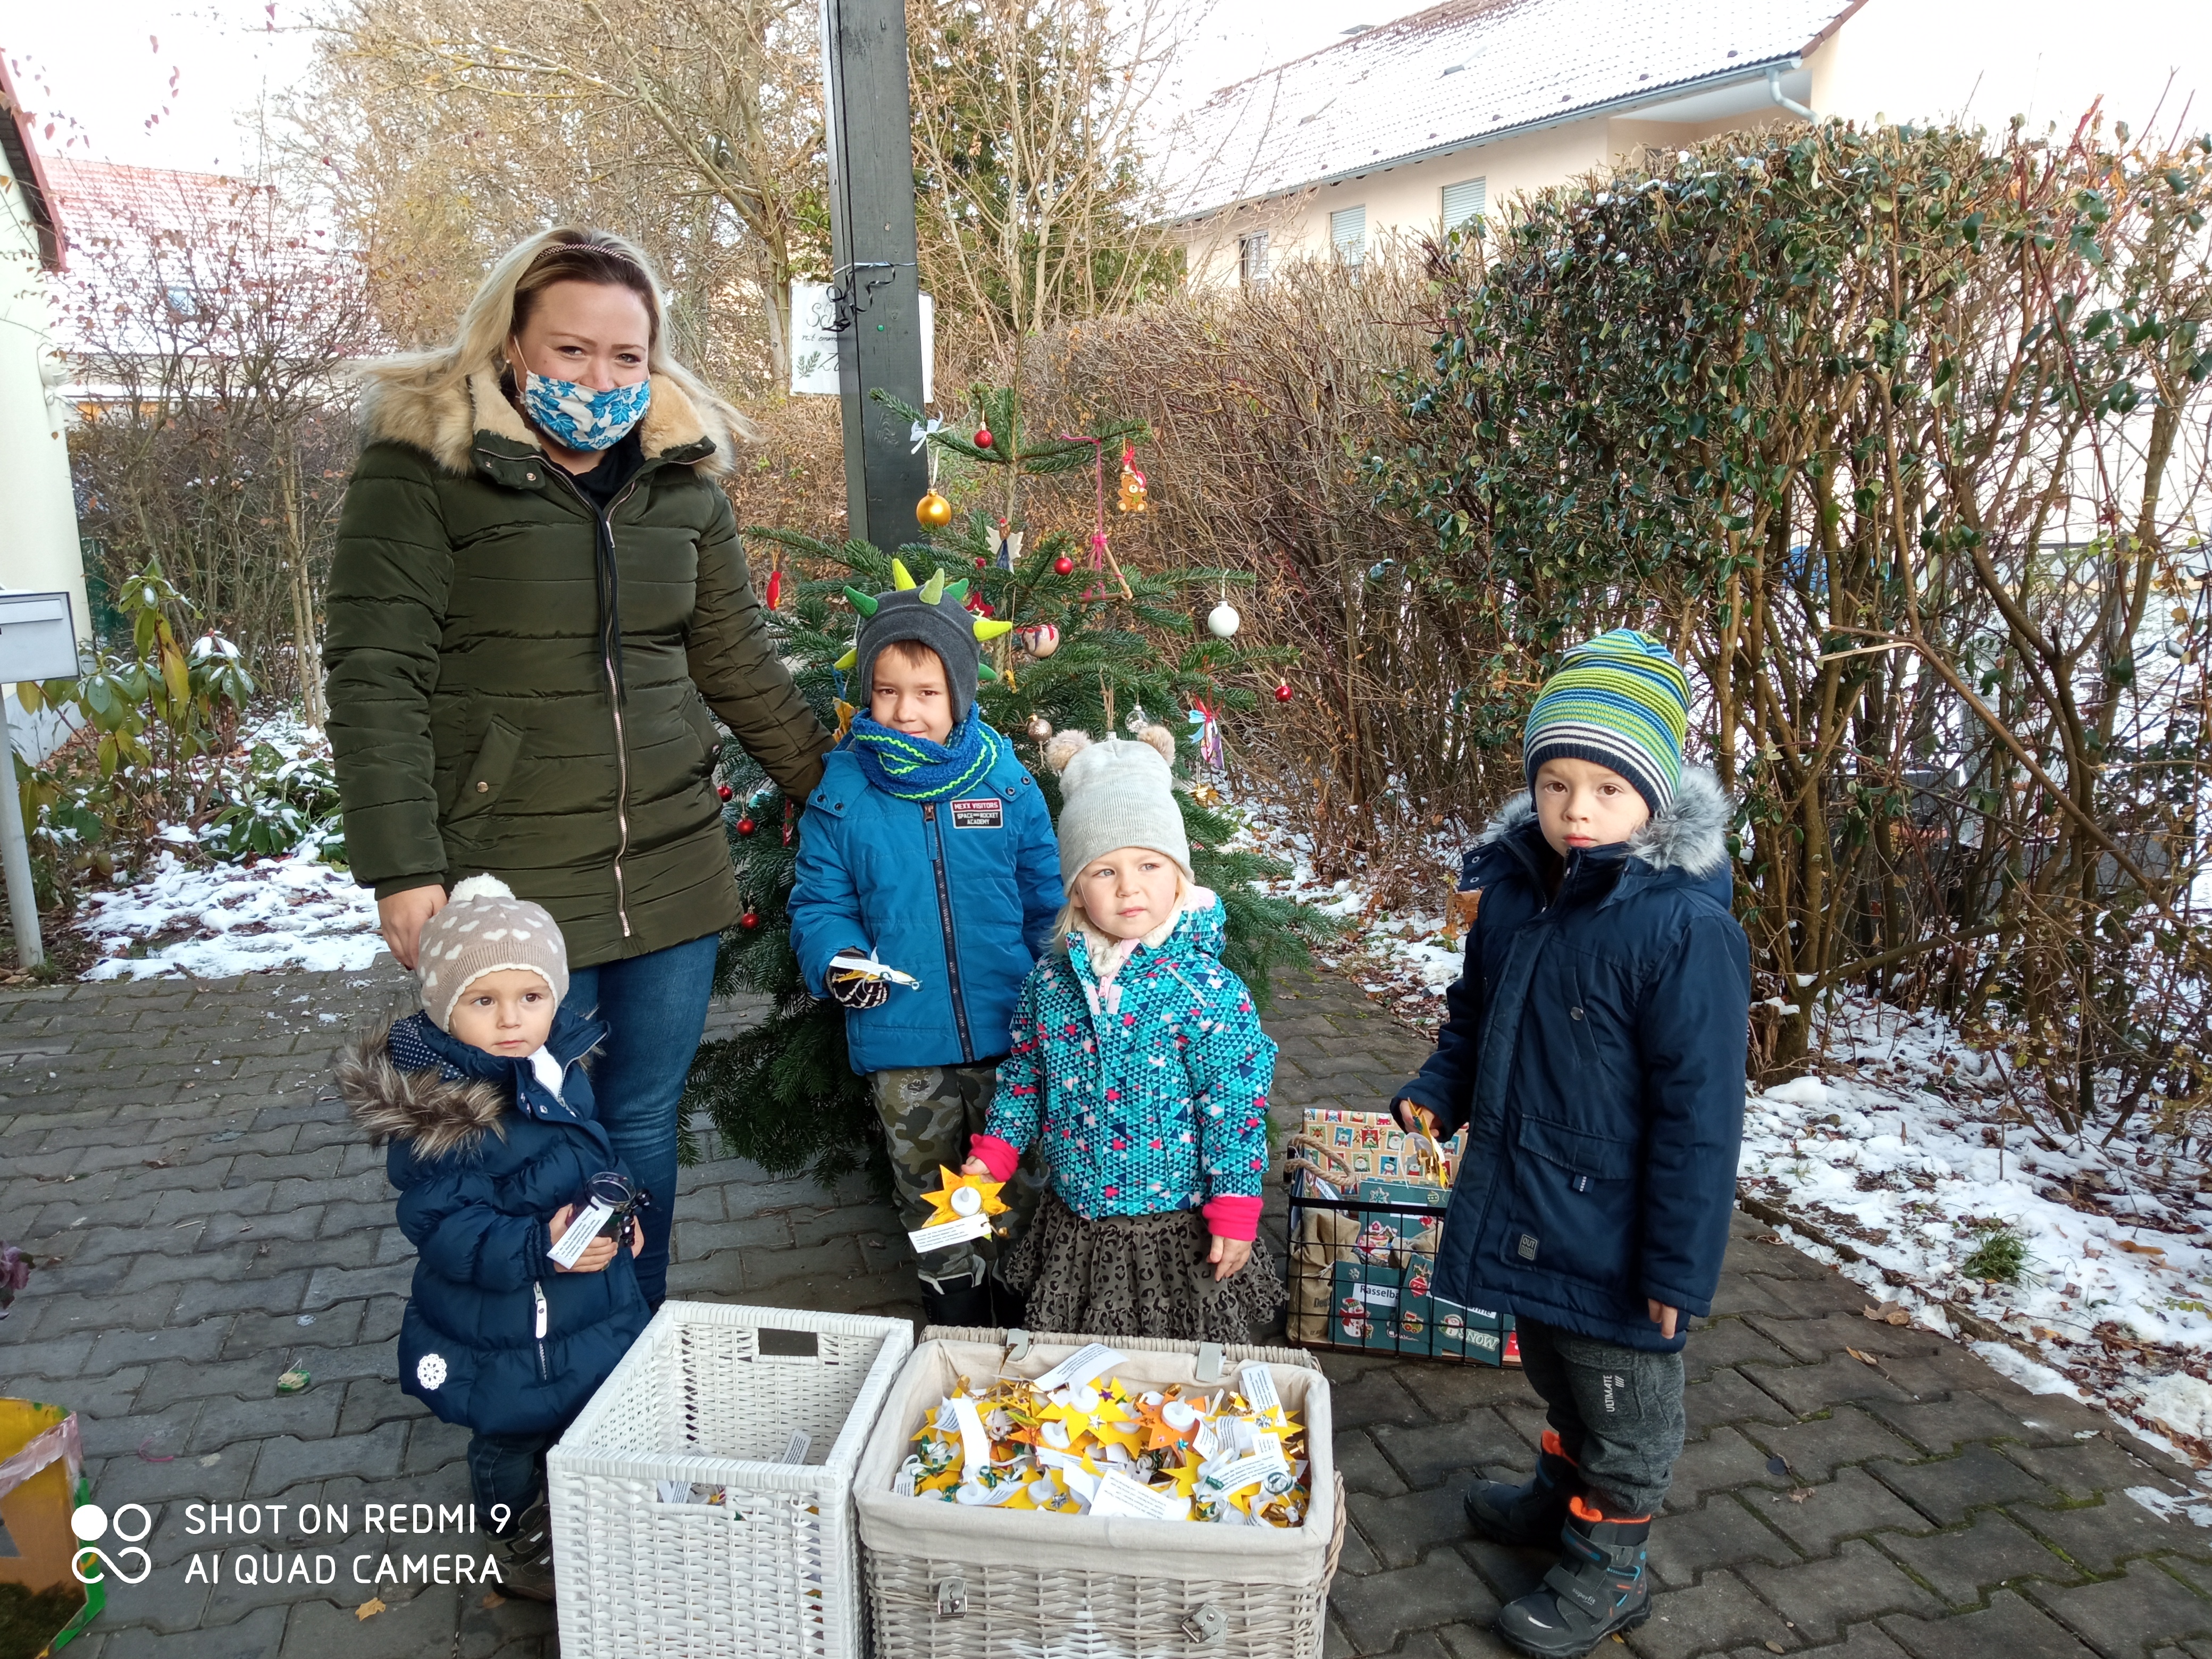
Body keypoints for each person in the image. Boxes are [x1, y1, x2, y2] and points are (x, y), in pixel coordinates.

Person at [325, 228, 832, 1306]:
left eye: (625, 358)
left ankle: (628, 1346)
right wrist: (402, 868)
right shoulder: (423, 472)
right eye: (571, 352)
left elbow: (735, 657)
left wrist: (832, 790)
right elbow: (376, 676)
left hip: (671, 869)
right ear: (510, 342)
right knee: (532, 1126)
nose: (599, 381)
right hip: (512, 883)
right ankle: (530, 1352)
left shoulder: (682, 482)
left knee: (642, 1117)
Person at [1389, 630, 1750, 1659]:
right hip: (1534, 1207)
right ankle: (1562, 1494)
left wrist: (1679, 1268)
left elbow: (1701, 1120)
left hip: (1625, 1235)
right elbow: (1474, 1015)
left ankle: (1609, 1566)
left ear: (1656, 799)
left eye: (1605, 786)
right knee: (1556, 1367)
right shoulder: (1514, 895)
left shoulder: (1681, 932)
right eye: (1555, 783)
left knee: (1628, 1408)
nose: (1576, 810)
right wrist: (1435, 1092)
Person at [336, 875, 650, 1603]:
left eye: (530, 998)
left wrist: (622, 1213)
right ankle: (513, 1541)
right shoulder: (442, 1112)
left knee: (582, 1407)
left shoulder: (555, 1070)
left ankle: (572, 1503)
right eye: (484, 1001)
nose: (512, 1019)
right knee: (510, 1434)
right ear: (446, 1007)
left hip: (583, 1300)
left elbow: (598, 1157)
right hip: (508, 1324)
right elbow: (445, 1229)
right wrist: (539, 1242)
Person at [786, 562, 1062, 1327]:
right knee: (932, 1184)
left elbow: (1048, 904)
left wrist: (1066, 990)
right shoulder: (845, 794)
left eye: (927, 693)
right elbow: (820, 902)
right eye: (887, 691)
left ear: (961, 696)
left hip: (1014, 1032)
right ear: (868, 693)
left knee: (1021, 1178)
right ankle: (956, 1309)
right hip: (904, 1040)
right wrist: (839, 960)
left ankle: (1022, 1298)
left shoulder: (1004, 785)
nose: (905, 711)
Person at [959, 725, 1287, 1344]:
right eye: (1103, 871)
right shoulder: (1050, 985)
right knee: (1082, 1358)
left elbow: (1235, 1110)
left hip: (1172, 1227)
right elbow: (1026, 1079)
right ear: (1077, 892)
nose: (1128, 887)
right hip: (1077, 1221)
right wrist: (995, 1154)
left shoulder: (1205, 991)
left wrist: (1236, 1210)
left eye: (1147, 865)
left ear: (1177, 877)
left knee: (1172, 1362)